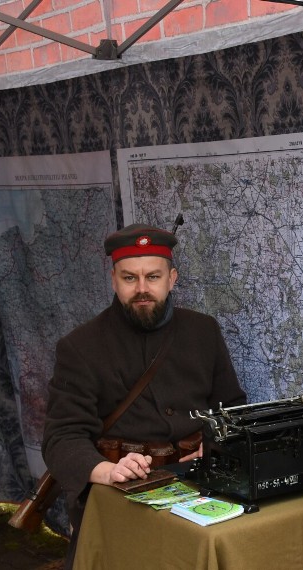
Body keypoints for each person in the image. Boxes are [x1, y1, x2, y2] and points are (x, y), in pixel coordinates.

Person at [42, 223, 246, 567]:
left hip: (196, 482)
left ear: (172, 278)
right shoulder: (80, 347)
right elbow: (62, 437)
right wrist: (105, 471)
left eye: (152, 277)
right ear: (113, 280)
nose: (142, 289)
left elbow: (231, 407)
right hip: (120, 494)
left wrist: (214, 442)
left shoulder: (203, 331)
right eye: (129, 278)